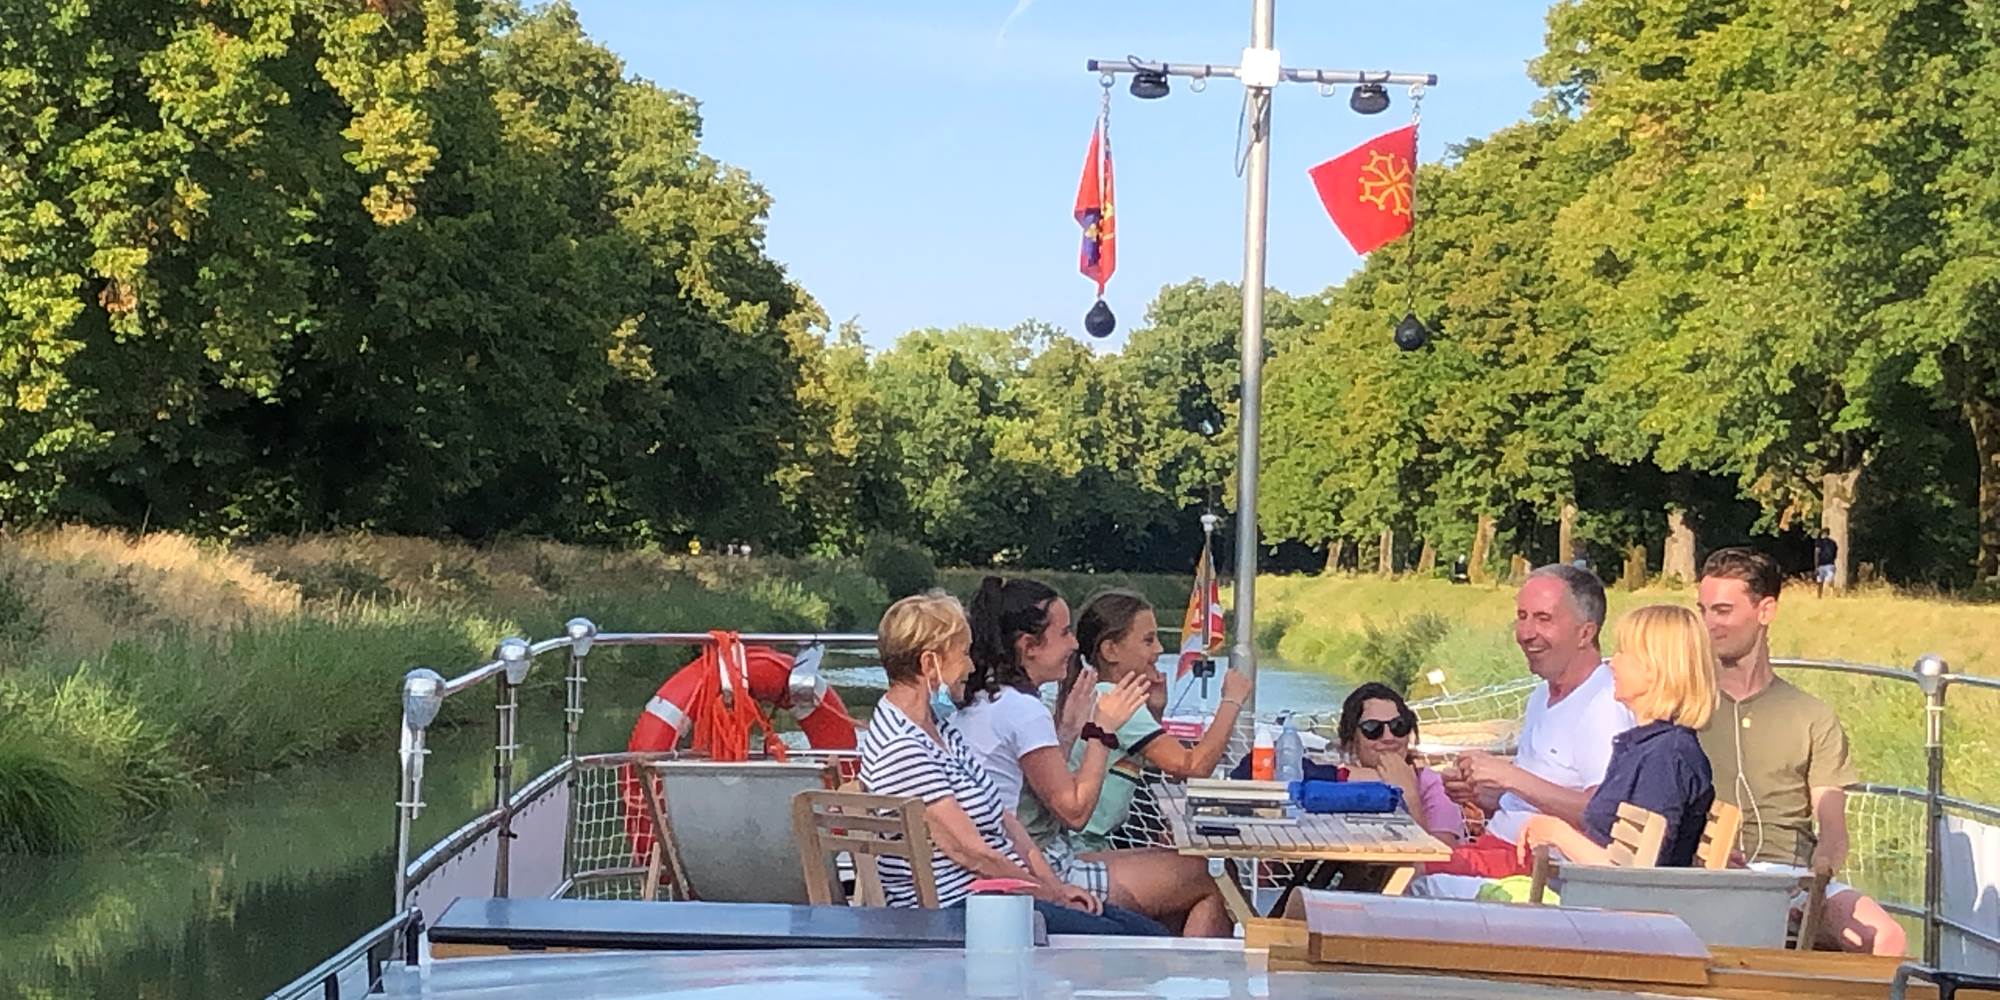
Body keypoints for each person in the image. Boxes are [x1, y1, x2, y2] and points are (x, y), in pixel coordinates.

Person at [857, 591, 1167, 935]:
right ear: (930, 664)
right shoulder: (903, 746)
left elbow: (1006, 821)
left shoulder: (937, 728)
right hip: (963, 910)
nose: (972, 666)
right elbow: (970, 852)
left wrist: (1053, 887)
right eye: (963, 655)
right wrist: (1049, 895)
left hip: (998, 897)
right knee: (1139, 940)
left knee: (1143, 931)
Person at [954, 581, 1233, 936]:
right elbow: (1074, 814)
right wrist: (1102, 731)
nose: (1074, 645)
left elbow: (1035, 792)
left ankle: (1157, 971)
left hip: (1031, 861)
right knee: (1205, 877)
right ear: (1029, 647)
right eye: (1065, 633)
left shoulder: (989, 700)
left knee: (1184, 885)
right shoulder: (1022, 710)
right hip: (1040, 871)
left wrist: (1068, 734)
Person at [1697, 548, 1905, 955]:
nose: (1709, 624)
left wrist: (1815, 882)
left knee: (1887, 939)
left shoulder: (1812, 715)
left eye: (1722, 611)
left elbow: (1833, 828)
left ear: (1766, 610)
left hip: (1792, 878)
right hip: (1708, 872)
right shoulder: (1687, 706)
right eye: (1702, 610)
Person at [1431, 565, 1636, 883]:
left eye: (1543, 619)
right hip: (1496, 849)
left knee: (1405, 870)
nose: (1526, 633)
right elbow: (1528, 798)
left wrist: (1509, 776)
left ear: (1586, 633)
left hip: (1534, 872)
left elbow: (1600, 814)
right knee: (1393, 857)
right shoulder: (1542, 695)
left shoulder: (1603, 705)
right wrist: (1477, 793)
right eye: (1522, 616)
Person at [1515, 605, 1716, 867]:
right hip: (1599, 896)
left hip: (1616, 903)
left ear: (1654, 668)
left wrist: (1557, 833)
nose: (1613, 662)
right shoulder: (1643, 746)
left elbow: (1634, 872)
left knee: (1445, 888)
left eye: (1624, 653)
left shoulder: (1666, 757)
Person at [1336, 682, 1466, 845]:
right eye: (1373, 728)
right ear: (1351, 739)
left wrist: (1410, 796)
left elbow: (1443, 858)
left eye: (1398, 726)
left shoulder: (1433, 785)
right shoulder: (1342, 780)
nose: (1389, 737)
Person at [1815, 532, 1839, 597]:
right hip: (1830, 564)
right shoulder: (1833, 543)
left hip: (1821, 565)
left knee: (1820, 582)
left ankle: (1819, 596)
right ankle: (1832, 594)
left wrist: (1816, 566)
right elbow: (1835, 554)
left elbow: (1816, 554)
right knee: (1829, 581)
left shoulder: (1819, 543)